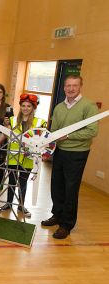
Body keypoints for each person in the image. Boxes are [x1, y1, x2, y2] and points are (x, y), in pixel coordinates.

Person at [42, 75, 99, 239]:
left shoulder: (89, 106)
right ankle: (57, 215)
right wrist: (47, 151)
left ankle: (66, 225)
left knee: (70, 189)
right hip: (60, 152)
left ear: (80, 86)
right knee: (57, 186)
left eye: (74, 85)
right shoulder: (59, 107)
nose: (71, 89)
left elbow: (92, 131)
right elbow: (53, 133)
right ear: (64, 87)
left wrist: (67, 136)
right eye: (68, 85)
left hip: (77, 153)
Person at [0, 94, 46, 218]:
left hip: (29, 158)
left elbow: (44, 139)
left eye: (28, 106)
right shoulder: (13, 120)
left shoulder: (40, 122)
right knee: (12, 182)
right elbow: (6, 134)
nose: (25, 108)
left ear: (33, 107)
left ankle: (21, 205)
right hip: (13, 156)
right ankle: (8, 203)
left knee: (23, 182)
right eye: (23, 105)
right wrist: (5, 126)